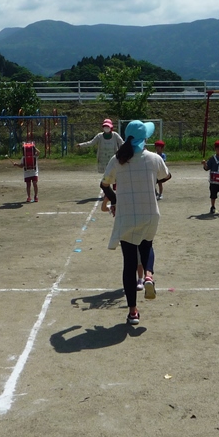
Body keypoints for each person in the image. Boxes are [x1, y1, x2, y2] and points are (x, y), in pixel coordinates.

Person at [100, 120, 172, 326]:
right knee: (147, 245)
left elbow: (104, 184)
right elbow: (166, 176)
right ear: (144, 139)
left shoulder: (118, 160)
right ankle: (148, 275)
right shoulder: (153, 158)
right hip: (149, 212)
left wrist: (115, 200)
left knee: (129, 264)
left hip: (126, 215)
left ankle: (133, 311)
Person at [79, 119, 123, 211]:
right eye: (105, 127)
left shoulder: (115, 135)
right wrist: (81, 145)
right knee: (106, 178)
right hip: (103, 160)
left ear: (111, 127)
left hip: (113, 159)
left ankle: (116, 192)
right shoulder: (99, 136)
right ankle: (107, 193)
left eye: (108, 127)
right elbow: (91, 143)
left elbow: (122, 143)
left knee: (116, 176)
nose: (106, 128)